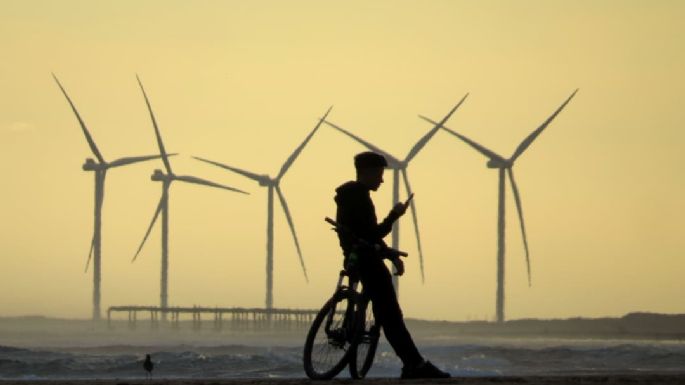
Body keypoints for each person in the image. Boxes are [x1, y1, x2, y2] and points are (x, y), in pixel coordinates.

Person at [334, 151, 450, 379]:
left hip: (356, 257)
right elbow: (373, 234)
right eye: (379, 174)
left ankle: (412, 363)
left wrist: (391, 254)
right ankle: (414, 365)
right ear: (366, 172)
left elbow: (366, 236)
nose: (382, 179)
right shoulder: (360, 198)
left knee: (387, 314)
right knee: (391, 315)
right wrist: (394, 215)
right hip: (368, 263)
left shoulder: (348, 196)